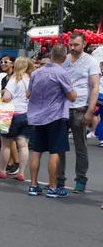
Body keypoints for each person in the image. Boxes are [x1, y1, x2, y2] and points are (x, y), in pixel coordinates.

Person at [27, 45, 77, 198]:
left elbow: (28, 94)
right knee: (55, 151)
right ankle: (53, 188)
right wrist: (71, 86)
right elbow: (72, 97)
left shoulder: (36, 73)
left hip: (38, 116)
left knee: (37, 150)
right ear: (64, 57)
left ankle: (33, 185)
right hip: (55, 116)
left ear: (50, 54)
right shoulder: (61, 73)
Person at [59, 32, 101, 193]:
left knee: (80, 146)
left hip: (80, 107)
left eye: (76, 45)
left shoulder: (91, 61)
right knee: (59, 146)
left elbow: (95, 87)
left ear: (84, 44)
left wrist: (90, 111)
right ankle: (59, 179)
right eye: (70, 45)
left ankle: (80, 180)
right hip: (62, 108)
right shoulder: (63, 59)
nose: (72, 48)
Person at [0, 57, 35, 181]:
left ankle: (2, 170)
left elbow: (8, 97)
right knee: (23, 145)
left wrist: (2, 96)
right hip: (28, 114)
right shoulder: (31, 78)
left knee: (6, 144)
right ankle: (21, 172)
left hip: (14, 114)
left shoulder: (14, 78)